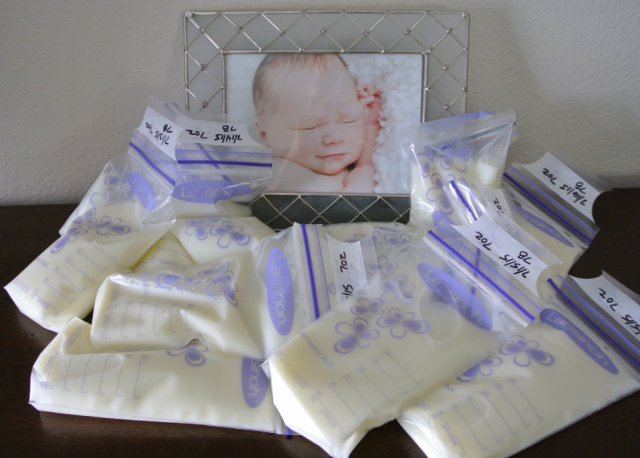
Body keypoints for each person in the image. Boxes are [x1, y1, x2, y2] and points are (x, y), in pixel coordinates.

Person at [252, 54, 381, 193]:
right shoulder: (279, 174)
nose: (335, 138)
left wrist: (370, 124)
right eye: (310, 126)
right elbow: (341, 206)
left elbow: (365, 166)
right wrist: (363, 182)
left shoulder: (312, 165)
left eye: (349, 119)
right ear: (264, 133)